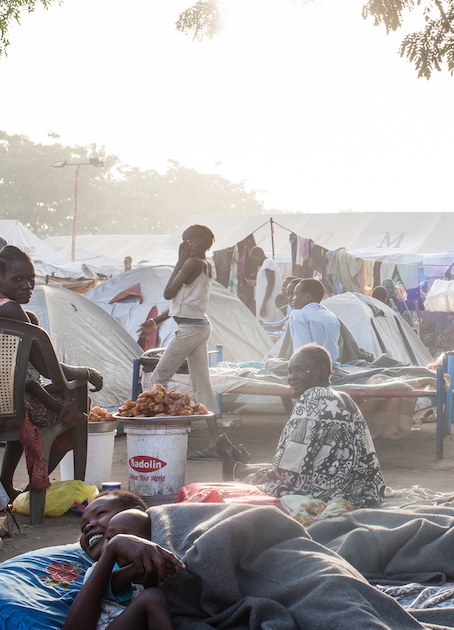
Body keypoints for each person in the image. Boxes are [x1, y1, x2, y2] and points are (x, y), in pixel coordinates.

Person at [0, 245, 105, 498]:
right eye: (17, 279)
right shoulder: (10, 310)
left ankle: (6, 485)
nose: (27, 286)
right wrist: (86, 372)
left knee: (31, 390)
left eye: (31, 279)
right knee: (78, 402)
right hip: (7, 405)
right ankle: (34, 492)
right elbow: (50, 370)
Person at [216, 344, 386, 507]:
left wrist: (258, 477)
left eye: (300, 370)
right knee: (286, 465)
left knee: (276, 475)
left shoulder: (312, 397)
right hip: (358, 491)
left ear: (322, 371)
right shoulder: (345, 398)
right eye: (289, 371)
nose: (292, 378)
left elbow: (291, 470)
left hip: (320, 494)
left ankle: (237, 471)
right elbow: (365, 458)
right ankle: (239, 468)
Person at [138, 225, 220, 460]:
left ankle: (155, 432)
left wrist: (179, 261)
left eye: (186, 241)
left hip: (190, 330)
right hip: (200, 326)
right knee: (202, 386)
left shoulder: (191, 263)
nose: (183, 245)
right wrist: (156, 320)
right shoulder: (206, 265)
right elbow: (182, 300)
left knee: (158, 377)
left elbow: (168, 293)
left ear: (197, 242)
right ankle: (214, 442)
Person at [65, 491, 184, 630]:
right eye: (83, 526)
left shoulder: (164, 547)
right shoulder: (99, 569)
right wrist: (116, 552)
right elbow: (113, 582)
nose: (88, 526)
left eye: (101, 513)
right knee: (152, 597)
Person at [285, 277, 342, 364]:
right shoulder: (332, 316)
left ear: (308, 297)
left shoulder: (298, 314)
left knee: (270, 364)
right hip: (332, 368)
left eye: (296, 294)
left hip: (309, 369)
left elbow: (302, 352)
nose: (293, 298)